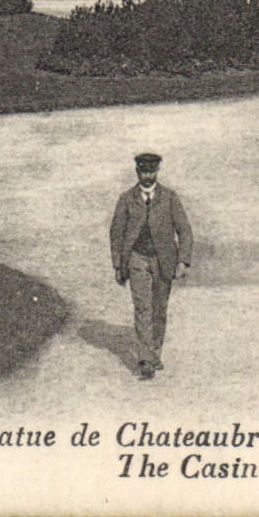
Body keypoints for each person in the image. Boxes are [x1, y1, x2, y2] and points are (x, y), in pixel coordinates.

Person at [109, 152, 193, 380]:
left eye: (151, 171)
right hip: (137, 258)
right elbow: (116, 233)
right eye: (144, 172)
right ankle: (145, 360)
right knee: (142, 307)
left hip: (163, 260)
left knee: (159, 309)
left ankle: (155, 353)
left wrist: (183, 261)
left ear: (157, 171)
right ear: (137, 172)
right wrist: (118, 264)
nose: (148, 176)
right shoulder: (126, 199)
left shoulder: (169, 198)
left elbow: (184, 230)